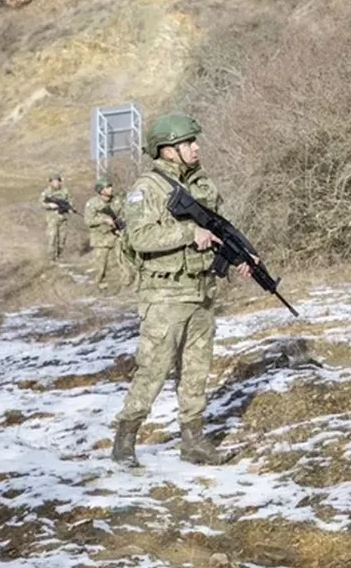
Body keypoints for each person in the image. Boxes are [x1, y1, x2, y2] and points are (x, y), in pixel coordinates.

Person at [111, 113, 249, 467]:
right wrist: (188, 233)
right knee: (153, 370)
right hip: (165, 296)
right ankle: (125, 440)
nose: (196, 147)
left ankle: (194, 441)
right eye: (189, 142)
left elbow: (217, 232)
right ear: (168, 150)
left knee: (196, 371)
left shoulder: (202, 184)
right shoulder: (148, 189)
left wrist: (241, 256)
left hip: (202, 291)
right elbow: (139, 237)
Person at [84, 176, 121, 290]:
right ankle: (96, 288)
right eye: (107, 187)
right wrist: (104, 220)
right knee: (100, 266)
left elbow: (122, 213)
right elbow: (88, 221)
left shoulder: (117, 200)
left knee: (117, 264)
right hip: (100, 239)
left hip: (115, 236)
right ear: (101, 190)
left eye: (110, 186)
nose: (111, 189)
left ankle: (116, 286)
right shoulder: (92, 203)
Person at [40, 172, 72, 262]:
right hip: (52, 219)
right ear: (50, 182)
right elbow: (41, 203)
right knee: (52, 238)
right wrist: (50, 205)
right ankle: (51, 258)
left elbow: (69, 201)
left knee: (62, 238)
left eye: (58, 181)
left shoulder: (65, 191)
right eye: (54, 181)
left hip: (63, 218)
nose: (56, 183)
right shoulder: (47, 192)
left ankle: (59, 256)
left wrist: (69, 208)